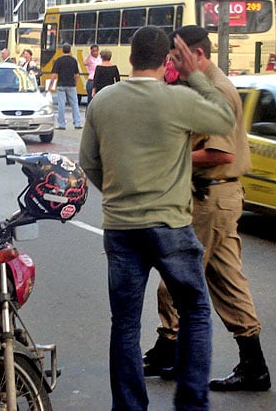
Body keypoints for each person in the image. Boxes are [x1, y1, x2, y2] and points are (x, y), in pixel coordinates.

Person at [79, 25, 237, 411]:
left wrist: (119, 193)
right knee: (196, 310)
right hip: (170, 225)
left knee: (126, 323)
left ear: (130, 58)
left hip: (121, 228)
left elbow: (88, 163)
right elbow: (224, 120)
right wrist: (195, 75)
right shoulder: (177, 100)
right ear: (167, 59)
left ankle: (130, 406)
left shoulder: (102, 102)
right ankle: (191, 403)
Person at [141, 25, 271, 393]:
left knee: (174, 277)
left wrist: (171, 156)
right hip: (216, 197)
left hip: (210, 198)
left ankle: (169, 349)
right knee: (229, 283)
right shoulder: (203, 86)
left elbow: (220, 153)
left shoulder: (216, 91)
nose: (172, 63)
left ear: (197, 54)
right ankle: (254, 364)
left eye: (177, 56)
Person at [48, 43, 82, 130]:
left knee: (61, 104)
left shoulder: (58, 60)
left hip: (61, 85)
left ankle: (61, 124)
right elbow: (77, 75)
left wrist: (50, 85)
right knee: (74, 104)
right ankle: (77, 123)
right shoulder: (73, 60)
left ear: (62, 50)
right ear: (70, 51)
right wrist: (75, 82)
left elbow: (54, 75)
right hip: (71, 85)